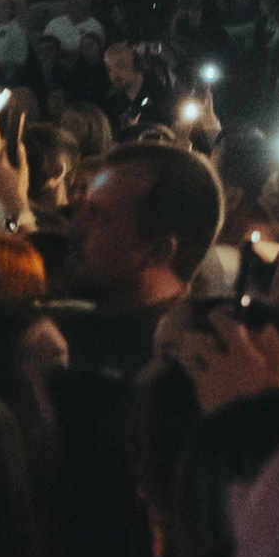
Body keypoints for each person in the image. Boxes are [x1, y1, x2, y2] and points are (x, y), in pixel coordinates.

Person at [55, 143, 224, 381]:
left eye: (99, 217)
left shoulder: (180, 379)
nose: (72, 230)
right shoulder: (56, 332)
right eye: (81, 211)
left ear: (158, 251)